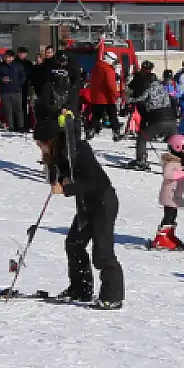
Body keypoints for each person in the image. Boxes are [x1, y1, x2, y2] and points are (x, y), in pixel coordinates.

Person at [35, 110, 124, 309]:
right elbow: (58, 177)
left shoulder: (78, 150)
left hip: (103, 201)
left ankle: (113, 296)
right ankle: (80, 289)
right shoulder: (59, 154)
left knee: (102, 252)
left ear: (50, 140)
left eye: (41, 144)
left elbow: (92, 181)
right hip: (86, 203)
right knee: (74, 243)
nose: (40, 148)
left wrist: (66, 189)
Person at [150, 133, 184, 250]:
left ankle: (169, 235)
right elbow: (168, 174)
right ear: (177, 148)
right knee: (169, 215)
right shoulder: (171, 161)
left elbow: (179, 175)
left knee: (173, 215)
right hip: (169, 194)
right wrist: (183, 173)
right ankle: (160, 239)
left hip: (174, 194)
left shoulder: (178, 161)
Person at [84, 52, 123, 140]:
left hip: (96, 96)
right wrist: (116, 95)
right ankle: (116, 133)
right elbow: (111, 84)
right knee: (113, 116)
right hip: (107, 97)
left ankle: (91, 131)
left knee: (96, 115)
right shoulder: (108, 69)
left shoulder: (96, 67)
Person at [0, 52, 27, 132]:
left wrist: (18, 84)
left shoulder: (17, 65)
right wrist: (1, 80)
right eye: (6, 57)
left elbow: (23, 76)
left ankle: (20, 126)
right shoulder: (0, 66)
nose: (7, 59)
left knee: (19, 110)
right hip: (5, 91)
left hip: (16, 91)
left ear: (13, 58)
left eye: (9, 57)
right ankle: (11, 127)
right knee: (8, 110)